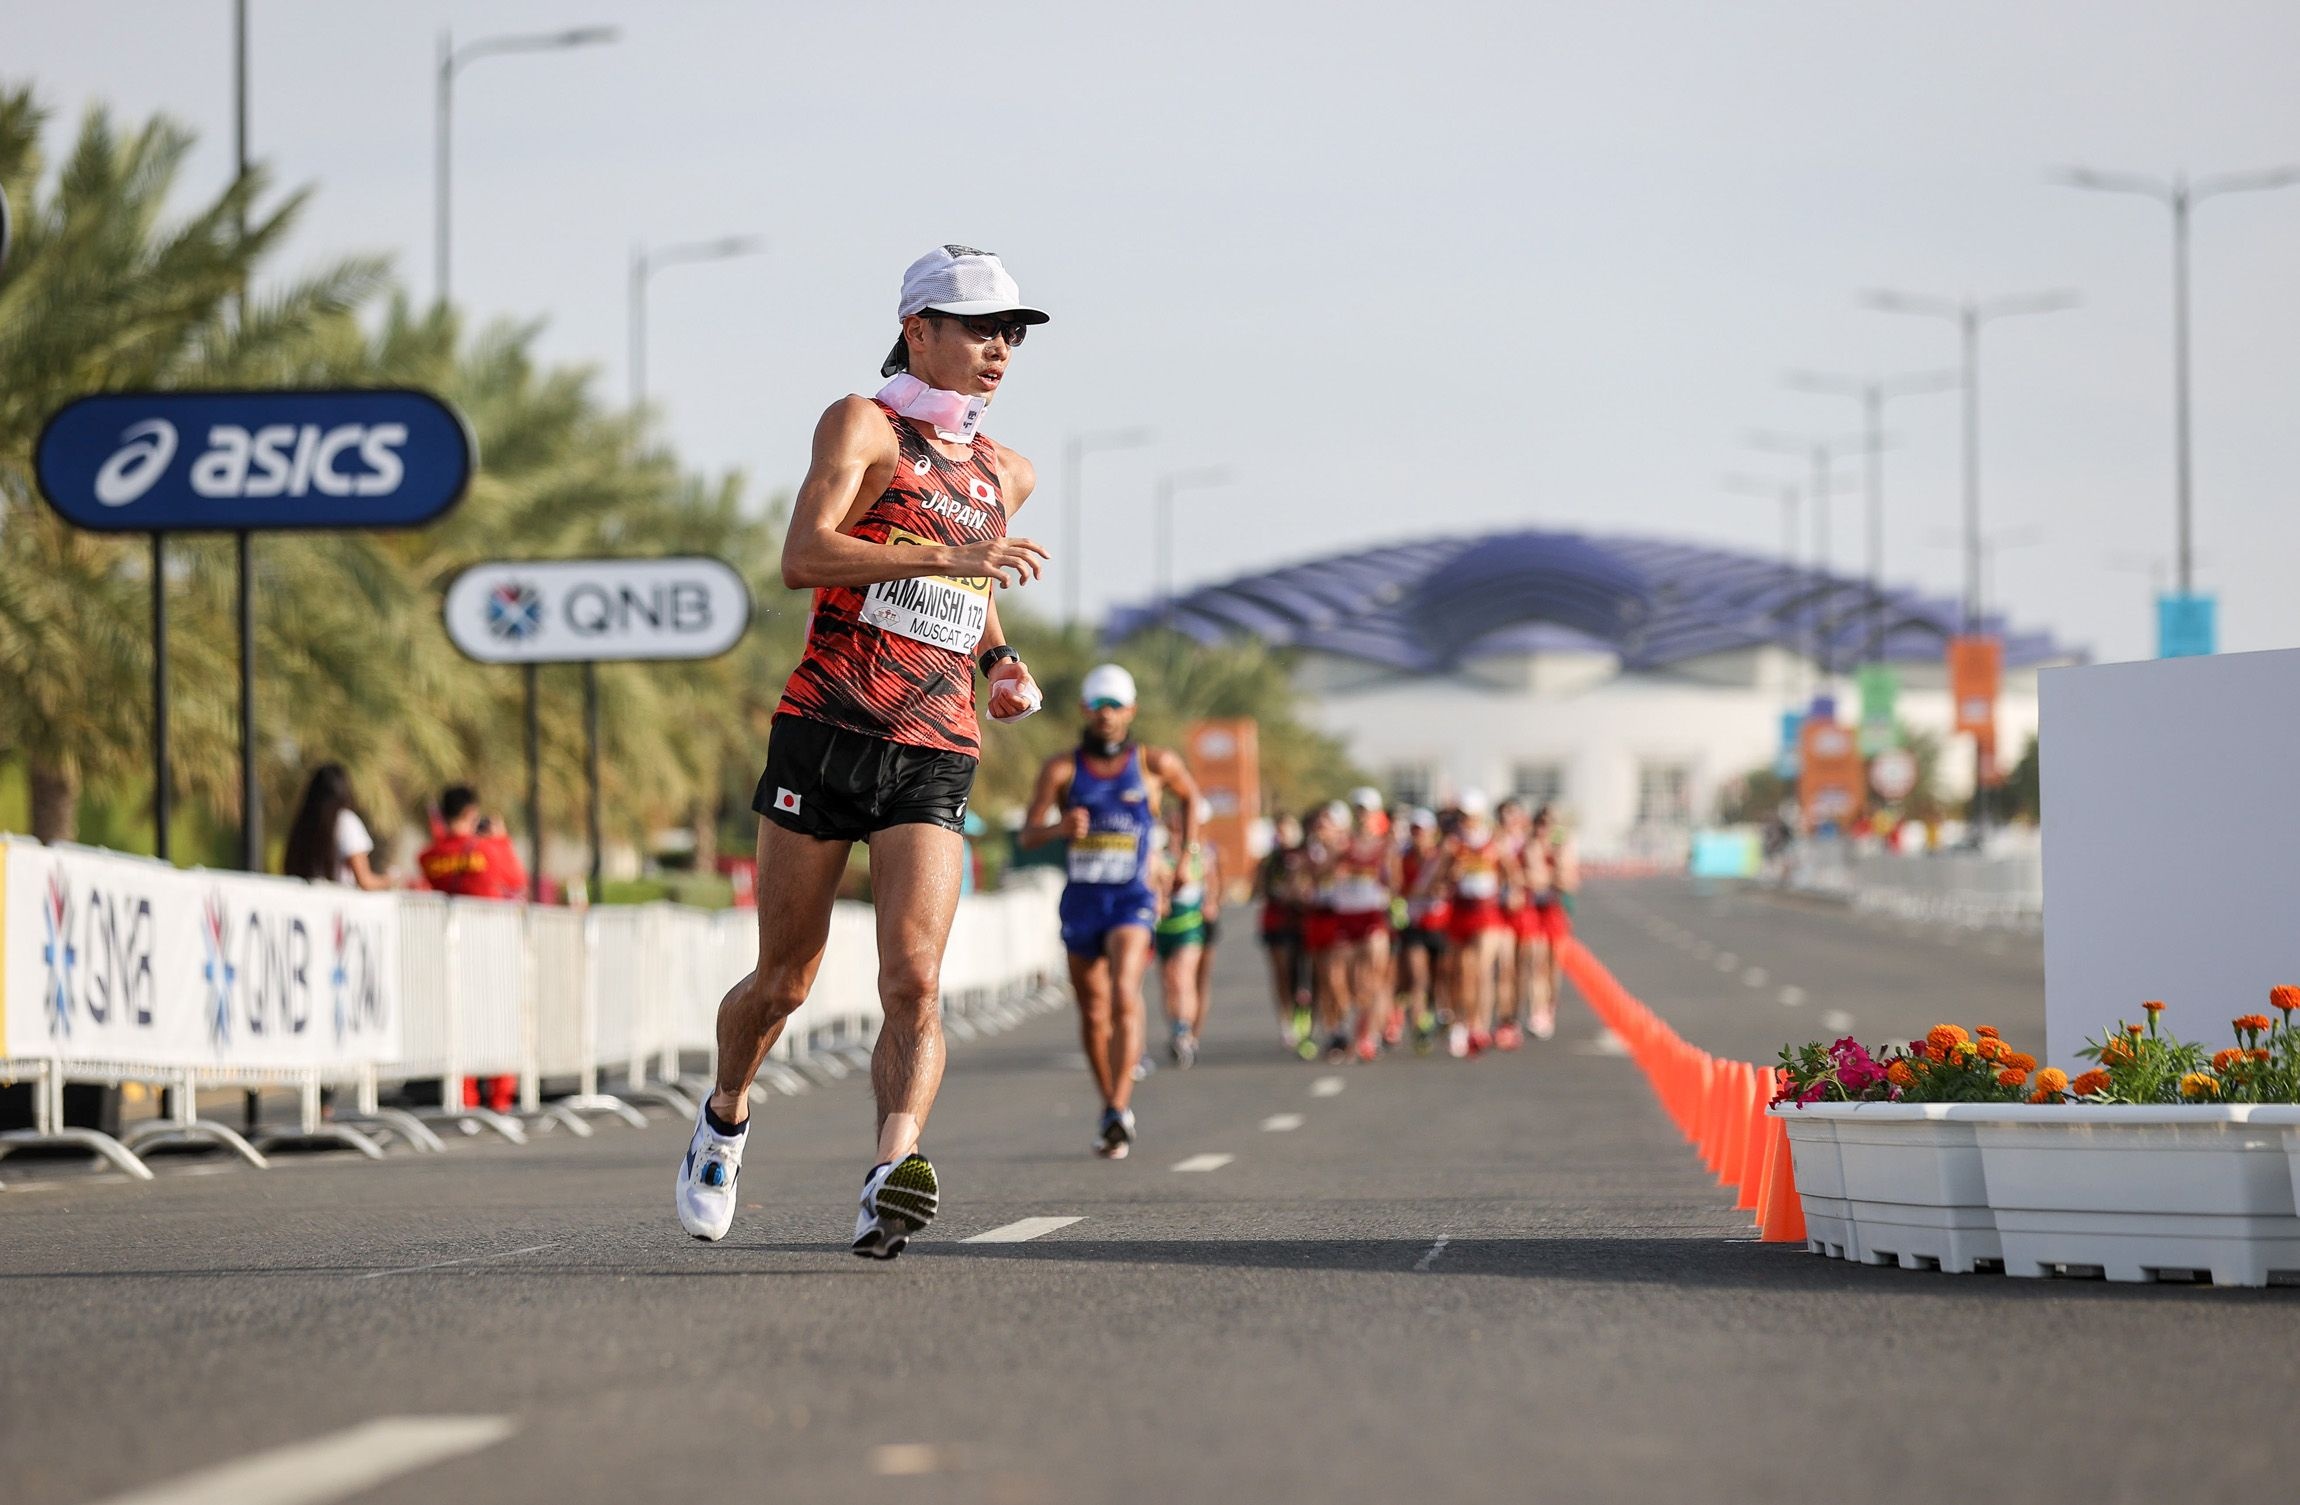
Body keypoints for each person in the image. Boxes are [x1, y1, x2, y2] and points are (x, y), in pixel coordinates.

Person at [675, 244, 1051, 1258]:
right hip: (825, 732)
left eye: (1011, 334)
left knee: (914, 981)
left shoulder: (1004, 471)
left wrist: (1002, 657)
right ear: (916, 327)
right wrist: (945, 554)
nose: (999, 350)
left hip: (933, 746)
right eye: (979, 328)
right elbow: (804, 553)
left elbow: (966, 598)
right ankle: (723, 1115)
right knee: (785, 979)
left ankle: (890, 1169)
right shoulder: (862, 424)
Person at [1020, 663, 1202, 1157]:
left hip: (1132, 898)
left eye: (1115, 705)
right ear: (1084, 708)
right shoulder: (1062, 769)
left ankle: (1121, 1105)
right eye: (1098, 704)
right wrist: (1060, 829)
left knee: (1125, 990)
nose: (1106, 714)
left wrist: (1184, 858)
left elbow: (1191, 798)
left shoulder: (1152, 764)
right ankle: (1110, 1107)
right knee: (1093, 1010)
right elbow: (1028, 833)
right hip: (1083, 899)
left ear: (1131, 711)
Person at [1432, 789, 1521, 1058]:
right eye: (1463, 816)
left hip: (1487, 912)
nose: (1466, 820)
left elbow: (1512, 873)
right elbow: (1439, 880)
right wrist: (1451, 874)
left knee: (1483, 971)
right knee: (1462, 973)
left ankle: (1478, 1025)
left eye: (1471, 816)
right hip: (1461, 912)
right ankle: (1461, 1023)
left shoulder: (1495, 841)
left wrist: (1513, 892)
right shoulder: (1452, 844)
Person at [1317, 788, 1397, 1062]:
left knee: (1371, 979)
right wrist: (1332, 851)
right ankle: (1347, 1026)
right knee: (1338, 979)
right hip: (1345, 917)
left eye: (1366, 810)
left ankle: (1368, 1037)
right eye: (1358, 810)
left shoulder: (1385, 845)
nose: (1362, 815)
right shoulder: (1344, 844)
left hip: (1372, 916)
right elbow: (1321, 873)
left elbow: (1395, 884)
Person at [1153, 801, 1221, 1068]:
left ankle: (1185, 1033)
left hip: (1190, 926)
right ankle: (1175, 1027)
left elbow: (1212, 887)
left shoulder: (1201, 855)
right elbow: (1154, 885)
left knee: (1183, 976)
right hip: (1163, 927)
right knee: (1168, 981)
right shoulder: (1158, 855)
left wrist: (1210, 904)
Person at [1254, 813, 1313, 1052]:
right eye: (1279, 829)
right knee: (1281, 973)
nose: (1283, 834)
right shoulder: (1270, 860)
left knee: (1303, 972)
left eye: (1287, 828)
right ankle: (1286, 1022)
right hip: (1276, 920)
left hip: (1302, 920)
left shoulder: (1306, 856)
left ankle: (1305, 1014)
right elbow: (1259, 889)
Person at [282, 764, 389, 891]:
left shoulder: (303, 824)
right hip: (338, 905)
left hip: (303, 903)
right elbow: (364, 880)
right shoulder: (346, 821)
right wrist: (390, 880)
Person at [1395, 808, 1449, 1054]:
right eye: (1414, 830)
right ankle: (1419, 1027)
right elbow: (1397, 888)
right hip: (1414, 925)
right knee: (1418, 978)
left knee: (1439, 980)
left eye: (1423, 831)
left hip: (1439, 924)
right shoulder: (1401, 858)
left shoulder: (1442, 858)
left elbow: (1452, 884)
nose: (1418, 835)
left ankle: (1438, 1012)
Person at [417, 786, 529, 900]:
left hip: (450, 917)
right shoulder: (488, 850)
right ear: (470, 812)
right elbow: (517, 881)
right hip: (486, 915)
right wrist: (501, 840)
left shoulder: (427, 857)